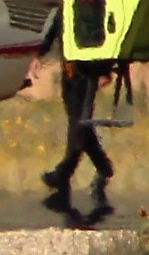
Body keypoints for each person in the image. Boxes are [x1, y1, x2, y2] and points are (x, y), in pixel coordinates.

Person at [42, 59, 114, 197]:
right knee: (77, 121)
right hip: (69, 66)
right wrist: (41, 53)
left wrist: (105, 70)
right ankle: (103, 167)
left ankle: (64, 172)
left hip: (87, 67)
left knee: (80, 121)